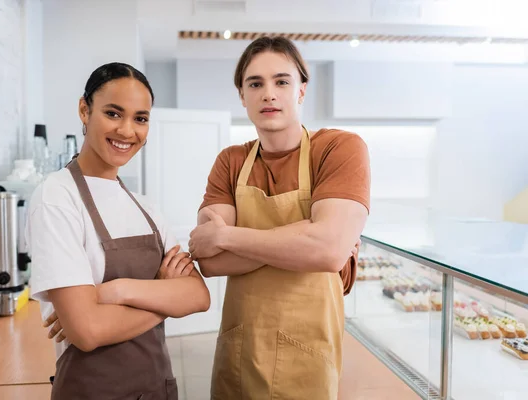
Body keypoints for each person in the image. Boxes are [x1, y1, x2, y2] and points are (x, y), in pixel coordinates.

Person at [188, 37, 370, 399]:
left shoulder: (337, 148)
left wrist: (226, 236)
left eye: (281, 81)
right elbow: (209, 260)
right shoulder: (231, 161)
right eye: (255, 83)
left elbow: (328, 251)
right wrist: (304, 236)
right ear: (242, 94)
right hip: (239, 349)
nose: (268, 94)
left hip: (309, 354)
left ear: (301, 90)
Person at [26, 62, 210, 400]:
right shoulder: (57, 197)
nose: (127, 130)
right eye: (113, 113)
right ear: (85, 110)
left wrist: (115, 291)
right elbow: (87, 331)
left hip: (156, 389)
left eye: (140, 118)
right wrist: (164, 294)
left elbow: (199, 297)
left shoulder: (147, 208)